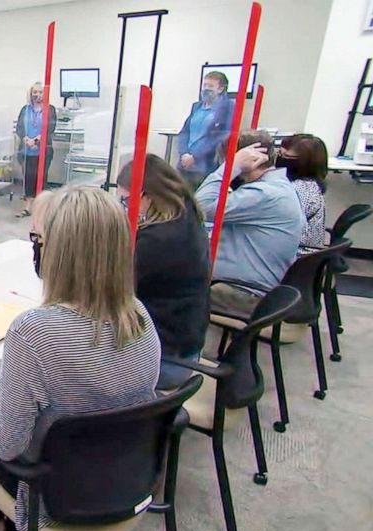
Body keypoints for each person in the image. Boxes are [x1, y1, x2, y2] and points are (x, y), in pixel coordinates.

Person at [0, 187, 160, 531]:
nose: (34, 248)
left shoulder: (34, 331)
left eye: (37, 239)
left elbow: (6, 444)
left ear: (59, 252)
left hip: (55, 497)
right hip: (124, 480)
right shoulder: (139, 315)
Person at [118, 155, 211, 390]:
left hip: (163, 362)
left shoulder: (158, 241)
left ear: (148, 196)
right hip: (183, 348)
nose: (127, 209)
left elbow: (103, 290)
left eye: (127, 201)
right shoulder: (186, 215)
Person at [195, 130, 305, 316]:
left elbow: (201, 206)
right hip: (255, 283)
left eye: (227, 160)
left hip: (245, 292)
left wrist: (231, 167)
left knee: (166, 289)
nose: (222, 165)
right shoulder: (277, 187)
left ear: (250, 160)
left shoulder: (264, 194)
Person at [176, 71, 233, 186]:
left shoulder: (227, 107)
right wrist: (184, 153)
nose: (206, 89)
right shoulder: (196, 106)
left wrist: (195, 156)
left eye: (210, 86)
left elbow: (220, 136)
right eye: (204, 85)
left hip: (206, 164)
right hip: (185, 163)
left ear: (221, 89)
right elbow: (185, 132)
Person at [277, 133, 329, 252]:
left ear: (303, 162)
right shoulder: (311, 184)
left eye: (283, 154)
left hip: (297, 255)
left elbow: (289, 231)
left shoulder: (299, 190)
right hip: (304, 254)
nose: (279, 157)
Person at [14, 82, 57, 218]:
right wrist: (26, 139)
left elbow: (50, 128)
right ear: (31, 94)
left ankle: (41, 209)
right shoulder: (25, 109)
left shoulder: (50, 109)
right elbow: (19, 127)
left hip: (43, 150)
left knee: (41, 178)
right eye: (35, 92)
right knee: (28, 178)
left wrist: (37, 140)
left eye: (40, 92)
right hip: (26, 151)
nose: (37, 95)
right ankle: (27, 207)